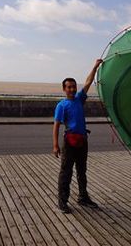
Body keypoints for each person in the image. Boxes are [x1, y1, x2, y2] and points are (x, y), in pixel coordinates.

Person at [53, 58, 103, 213]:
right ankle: (62, 201)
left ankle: (83, 198)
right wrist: (55, 145)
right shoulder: (62, 105)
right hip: (69, 141)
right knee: (66, 172)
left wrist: (95, 66)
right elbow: (56, 126)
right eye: (69, 87)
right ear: (64, 89)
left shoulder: (79, 99)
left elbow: (88, 82)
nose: (72, 89)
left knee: (82, 171)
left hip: (82, 140)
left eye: (74, 87)